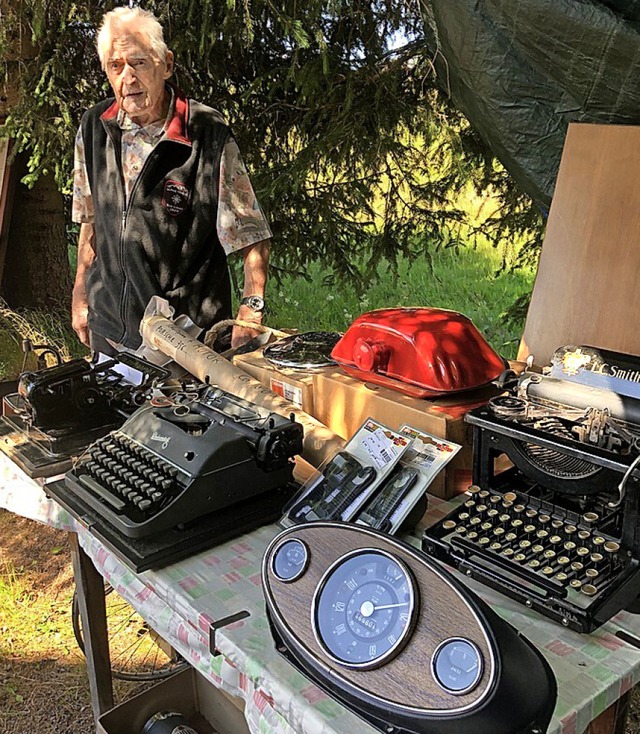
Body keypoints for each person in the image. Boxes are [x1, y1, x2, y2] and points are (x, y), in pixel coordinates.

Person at [71, 6, 271, 355]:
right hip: (111, 330)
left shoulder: (205, 132)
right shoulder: (93, 128)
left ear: (167, 63)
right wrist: (80, 294)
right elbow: (91, 220)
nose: (127, 79)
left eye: (139, 63)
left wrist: (250, 313)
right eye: (115, 67)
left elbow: (250, 232)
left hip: (187, 337)